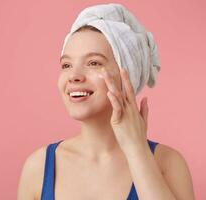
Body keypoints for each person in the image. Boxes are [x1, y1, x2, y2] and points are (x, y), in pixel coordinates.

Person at [17, 3, 195, 200]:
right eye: (66, 65)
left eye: (94, 63)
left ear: (128, 74)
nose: (74, 76)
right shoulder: (39, 167)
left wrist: (137, 151)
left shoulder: (168, 163)